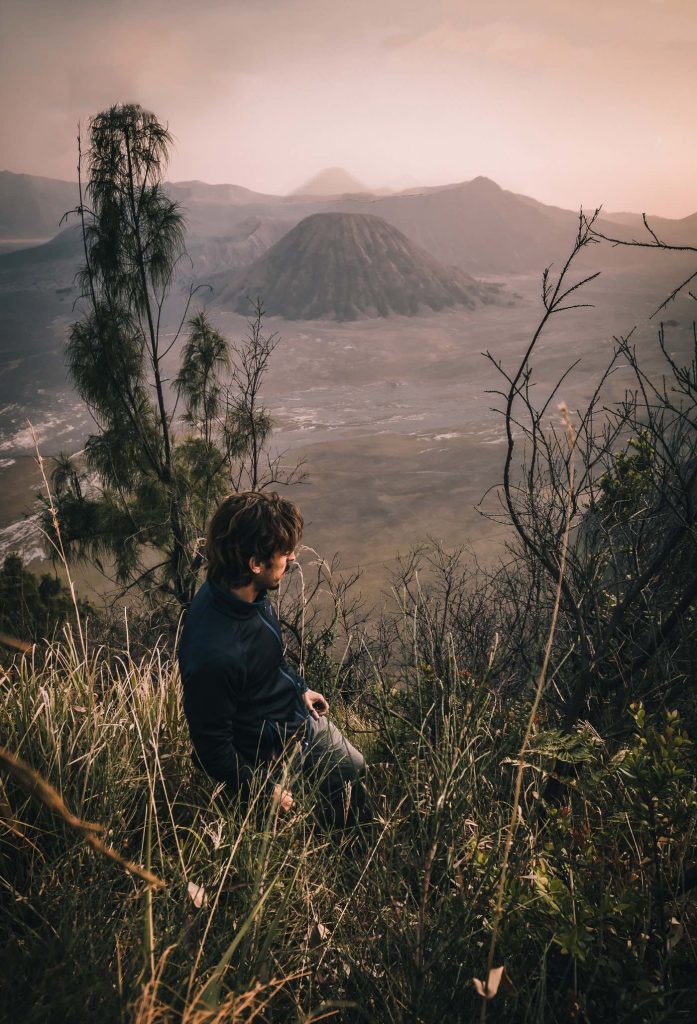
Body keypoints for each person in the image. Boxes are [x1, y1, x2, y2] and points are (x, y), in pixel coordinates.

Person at [178, 491, 365, 823]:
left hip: (295, 719)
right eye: (284, 551)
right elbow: (211, 748)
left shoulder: (248, 593)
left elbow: (267, 660)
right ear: (254, 563)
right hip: (265, 756)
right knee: (284, 847)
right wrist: (262, 789)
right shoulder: (214, 653)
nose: (291, 557)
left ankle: (348, 843)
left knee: (351, 768)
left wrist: (298, 688)